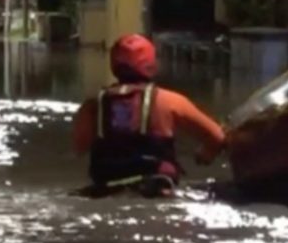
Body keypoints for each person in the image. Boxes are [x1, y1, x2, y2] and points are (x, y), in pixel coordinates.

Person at [72, 33, 226, 197]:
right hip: (155, 185)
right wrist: (206, 154)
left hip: (106, 184)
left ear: (113, 64)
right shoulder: (170, 101)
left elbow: (79, 148)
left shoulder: (93, 104)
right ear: (151, 64)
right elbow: (217, 137)